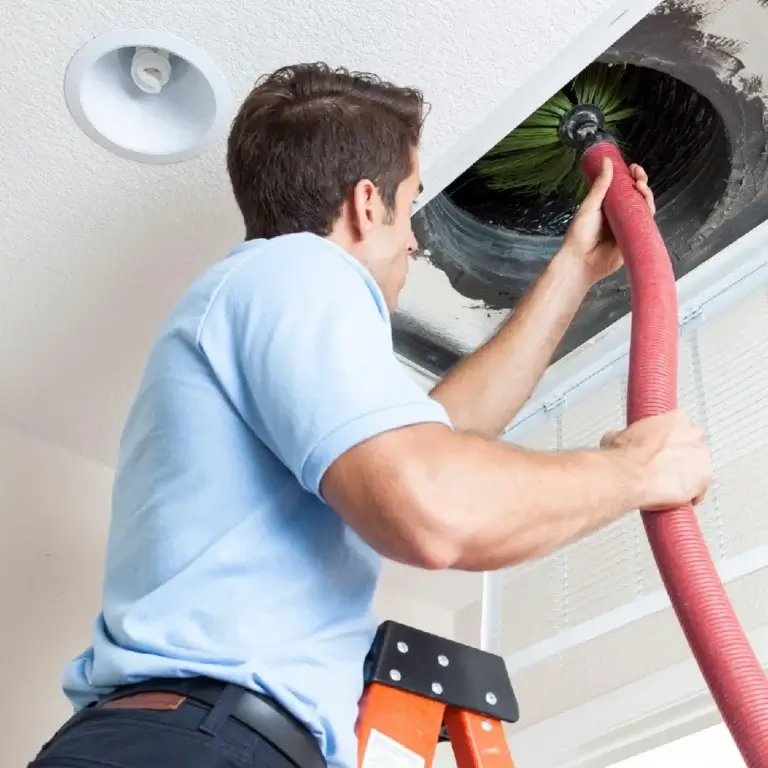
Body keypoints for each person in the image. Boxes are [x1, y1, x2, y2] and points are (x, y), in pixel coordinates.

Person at [29, 63, 711, 768]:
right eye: (410, 203)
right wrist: (634, 470)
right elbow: (432, 504)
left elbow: (443, 431)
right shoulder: (296, 270)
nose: (414, 240)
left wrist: (574, 266)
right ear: (364, 203)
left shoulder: (260, 298)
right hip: (201, 743)